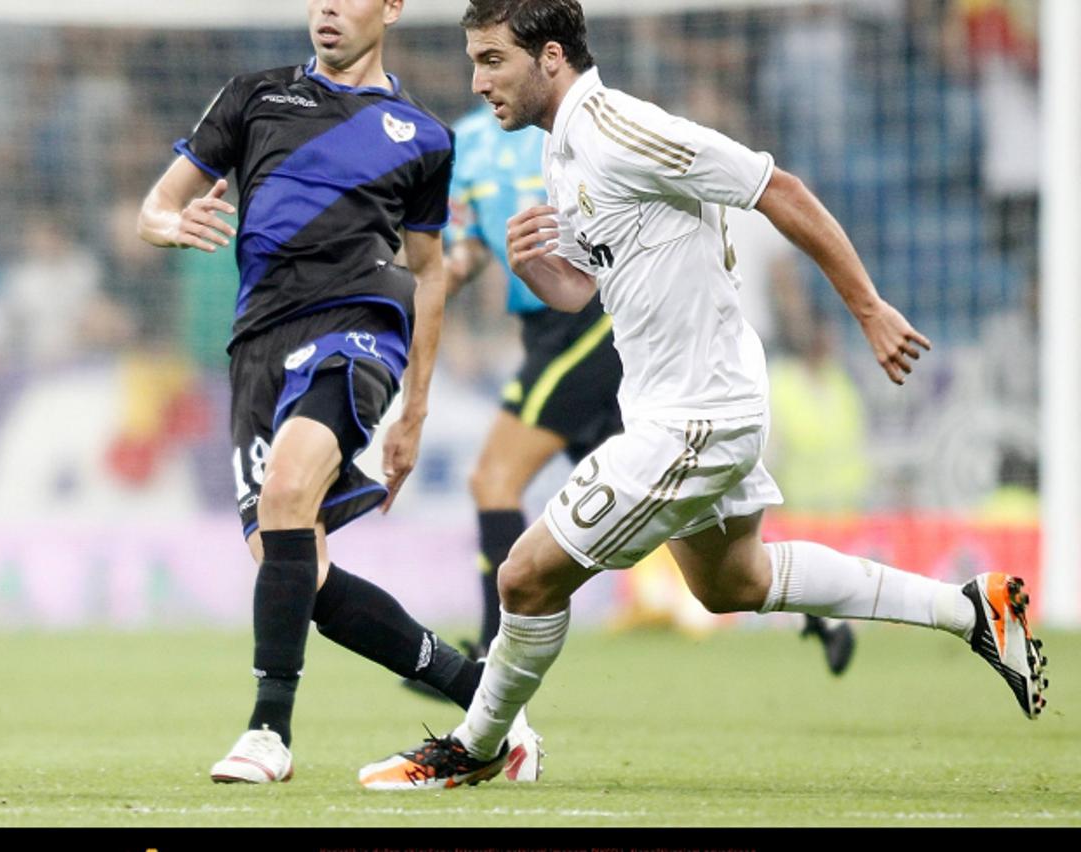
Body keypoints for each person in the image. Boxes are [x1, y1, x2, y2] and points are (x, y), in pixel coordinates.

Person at [358, 0, 1047, 790]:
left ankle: (481, 745)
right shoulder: (562, 149)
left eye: (491, 60)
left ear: (550, 57)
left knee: (523, 576)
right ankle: (974, 610)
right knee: (731, 582)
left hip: (698, 416)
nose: (478, 81)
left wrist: (867, 308)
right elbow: (589, 291)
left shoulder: (623, 129)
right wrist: (539, 273)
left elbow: (775, 185)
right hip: (678, 405)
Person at [137, 0, 541, 785]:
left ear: (390, 8)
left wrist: (416, 407)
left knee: (289, 492)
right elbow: (156, 205)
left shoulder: (424, 134)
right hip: (258, 344)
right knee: (296, 572)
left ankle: (266, 733)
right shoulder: (251, 97)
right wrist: (170, 224)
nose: (325, 7)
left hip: (357, 329)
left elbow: (427, 270)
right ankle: (491, 708)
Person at [428, 102, 853, 680]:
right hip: (543, 324)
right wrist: (440, 281)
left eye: (497, 58)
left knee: (494, 478)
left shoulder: (564, 130)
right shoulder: (470, 143)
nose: (489, 76)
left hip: (595, 323)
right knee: (656, 505)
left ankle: (486, 655)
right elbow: (472, 245)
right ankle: (813, 609)